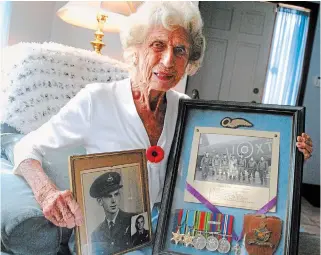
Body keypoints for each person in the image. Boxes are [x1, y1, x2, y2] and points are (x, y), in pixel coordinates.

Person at [12, 1, 313, 254]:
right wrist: (46, 192)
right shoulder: (97, 100)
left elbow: (234, 156)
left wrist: (288, 151)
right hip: (111, 241)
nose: (168, 61)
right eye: (157, 45)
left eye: (180, 50)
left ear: (189, 62)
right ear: (136, 50)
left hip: (167, 231)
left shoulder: (187, 108)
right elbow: (26, 146)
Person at [89, 172, 134, 254]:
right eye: (109, 196)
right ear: (100, 201)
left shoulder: (133, 219)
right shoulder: (96, 234)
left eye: (116, 194)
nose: (114, 200)